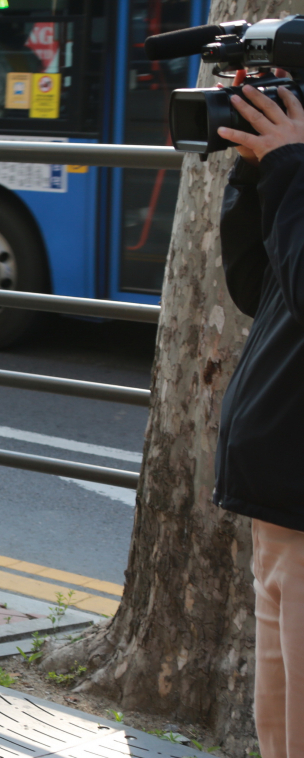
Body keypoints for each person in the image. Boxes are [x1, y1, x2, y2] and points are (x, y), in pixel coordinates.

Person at [216, 82, 304, 758]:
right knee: (278, 731)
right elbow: (257, 285)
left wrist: (290, 168)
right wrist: (254, 175)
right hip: (278, 507)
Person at [0, 19, 43, 118]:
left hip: (25, 113)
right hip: (0, 118)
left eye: (24, 31)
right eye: (19, 32)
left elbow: (38, 80)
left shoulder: (27, 53)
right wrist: (24, 104)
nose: (23, 35)